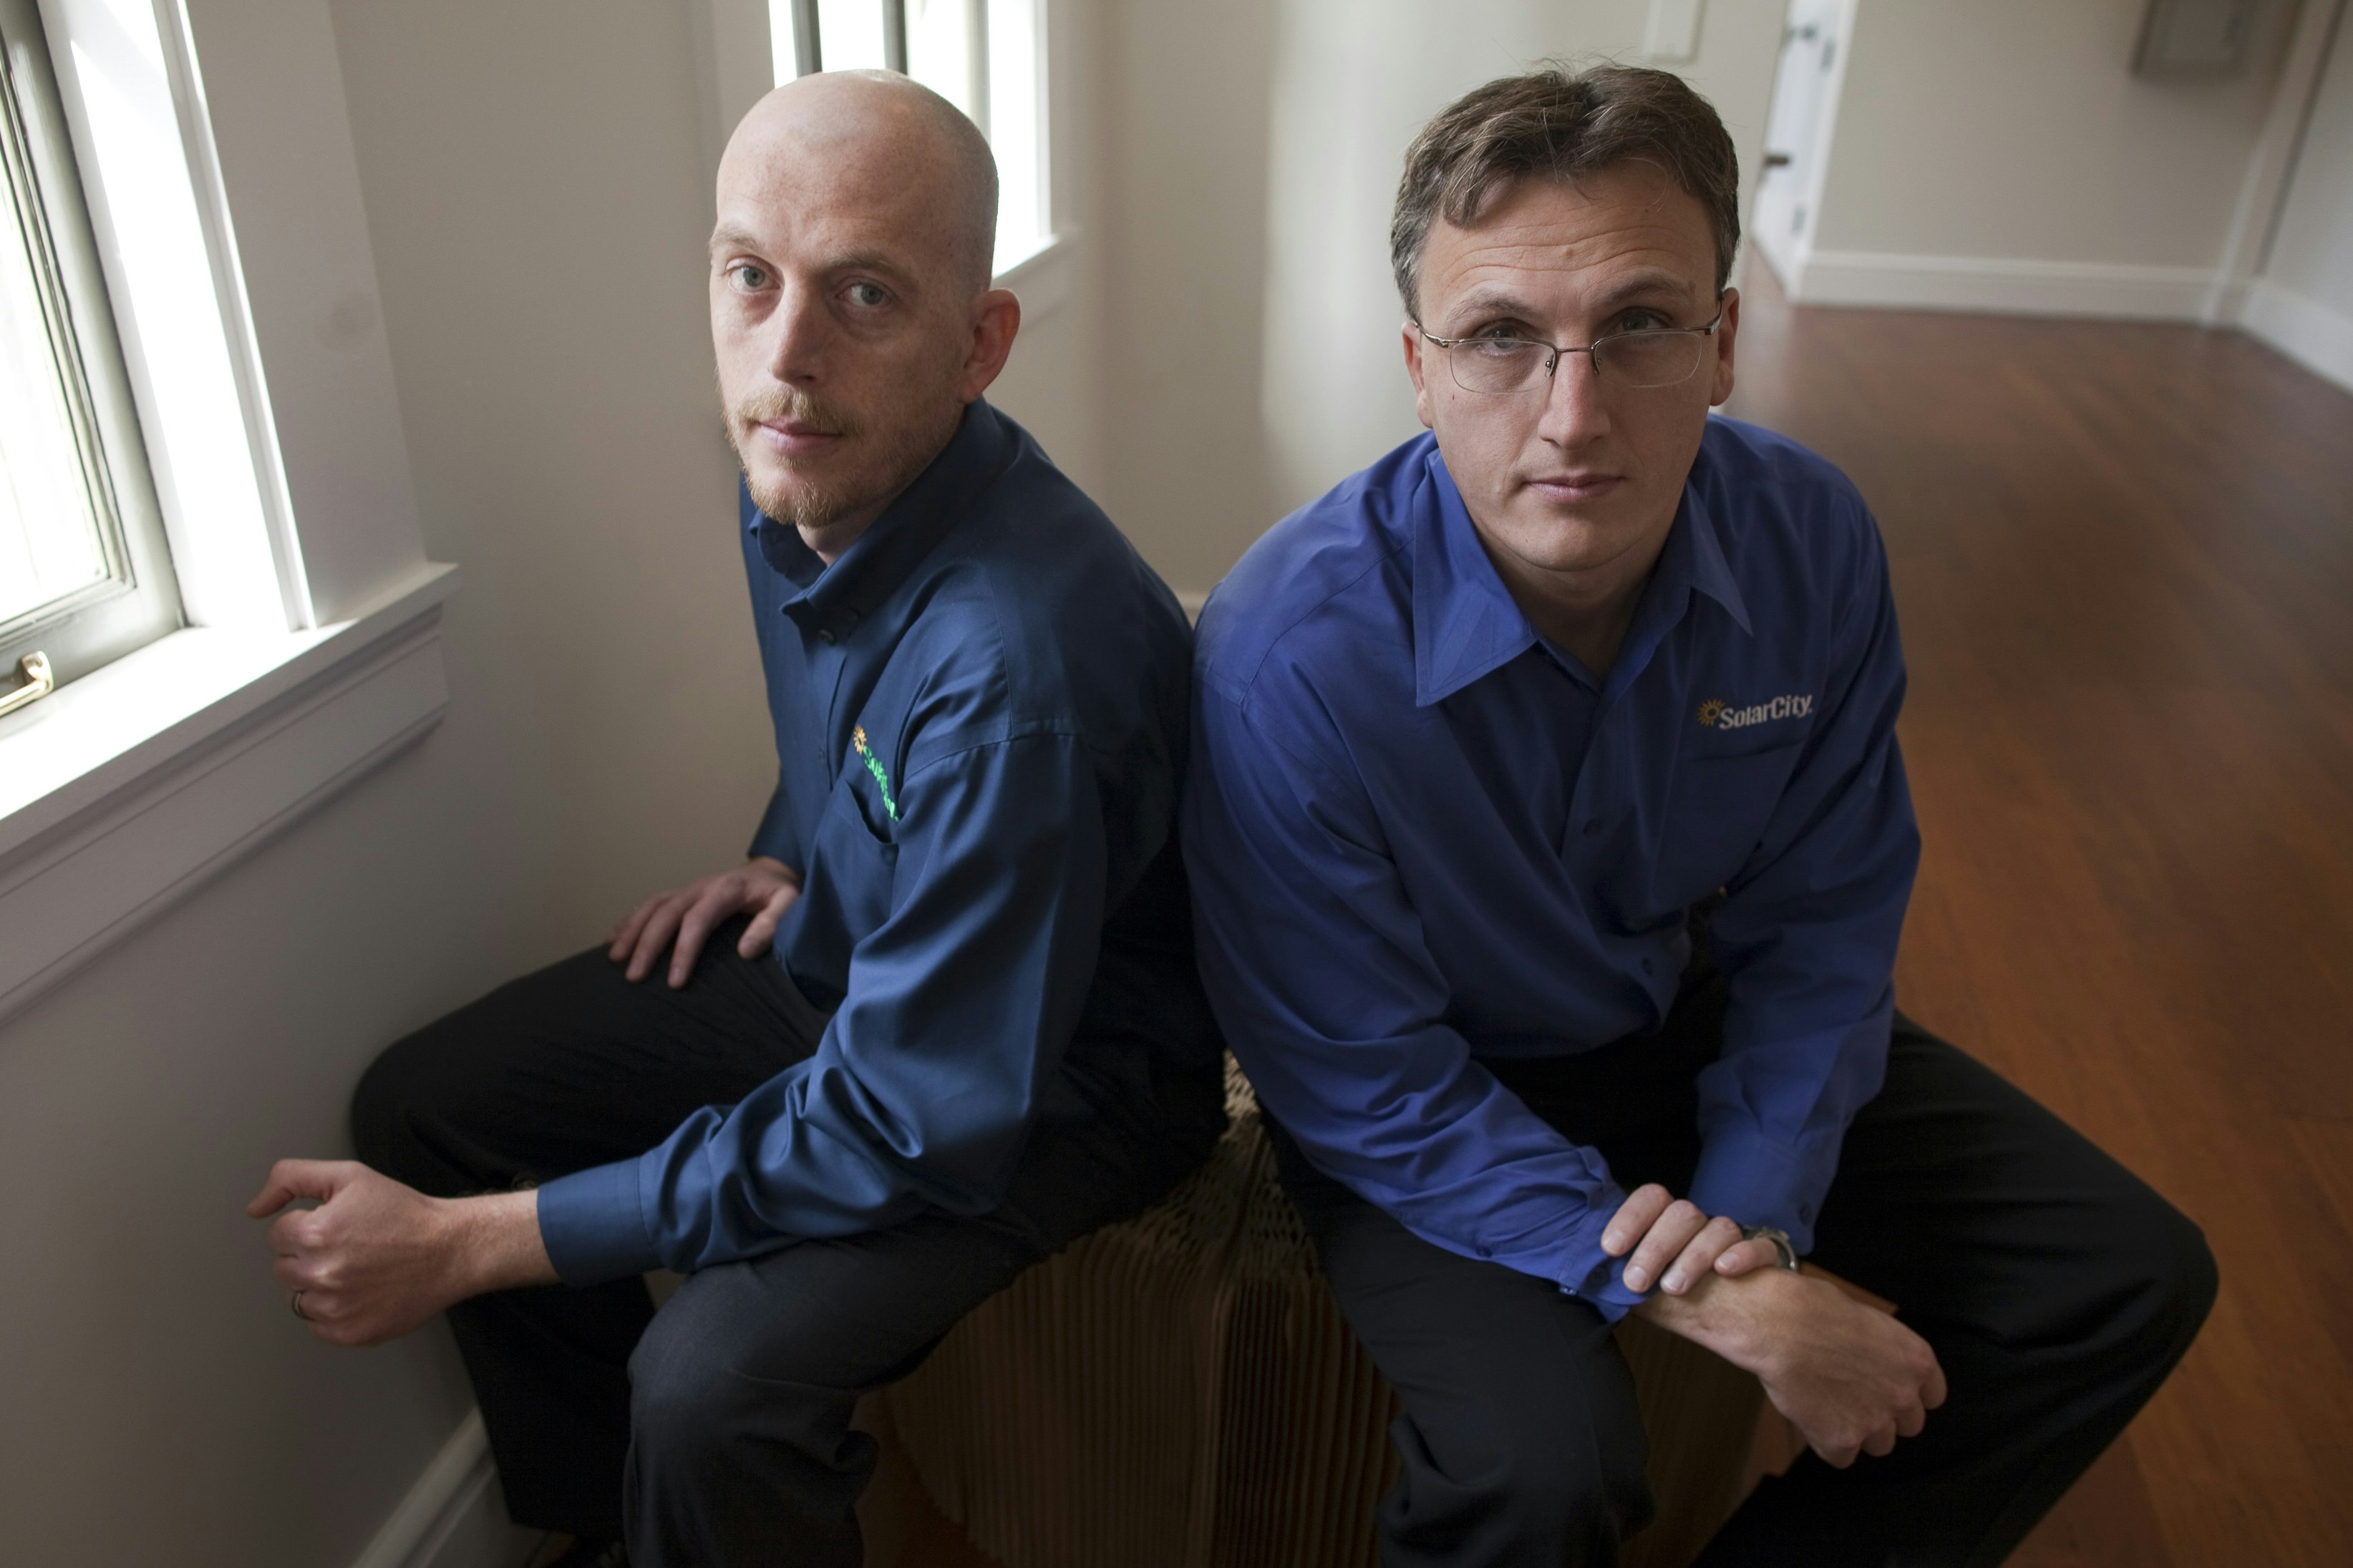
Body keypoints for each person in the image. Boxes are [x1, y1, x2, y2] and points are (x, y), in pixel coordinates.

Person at [1183, 64, 2216, 1567]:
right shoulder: (1289, 649)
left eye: (1642, 325)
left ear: (1724, 341)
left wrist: (1757, 1215)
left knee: (2130, 1274)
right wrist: (1714, 1295)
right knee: (1543, 1469)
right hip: (1441, 1098)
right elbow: (1361, 1076)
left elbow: (1827, 927)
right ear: (1418, 367)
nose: (1573, 413)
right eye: (1500, 339)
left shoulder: (1816, 543)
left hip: (1690, 1025)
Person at [250, 72, 1223, 1568]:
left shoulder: (1020, 677)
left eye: (866, 294)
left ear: (980, 345)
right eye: (750, 278)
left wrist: (466, 1247)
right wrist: (794, 843)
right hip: (876, 960)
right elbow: (850, 705)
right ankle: (612, 1528)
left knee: (706, 1388)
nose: (787, 355)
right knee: (426, 1106)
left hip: (1053, 1069)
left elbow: (915, 1120)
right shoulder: (805, 468)